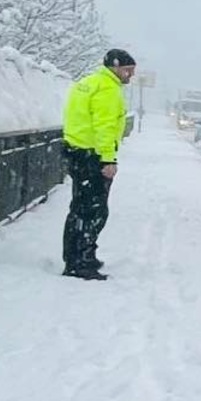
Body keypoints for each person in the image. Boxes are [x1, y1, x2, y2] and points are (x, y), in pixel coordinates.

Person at [60, 48, 135, 280]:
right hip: (93, 156)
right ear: (114, 66)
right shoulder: (108, 90)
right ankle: (82, 262)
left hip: (76, 151)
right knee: (94, 211)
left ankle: (75, 256)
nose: (129, 76)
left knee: (79, 209)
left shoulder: (87, 83)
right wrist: (108, 159)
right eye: (127, 70)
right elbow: (104, 126)